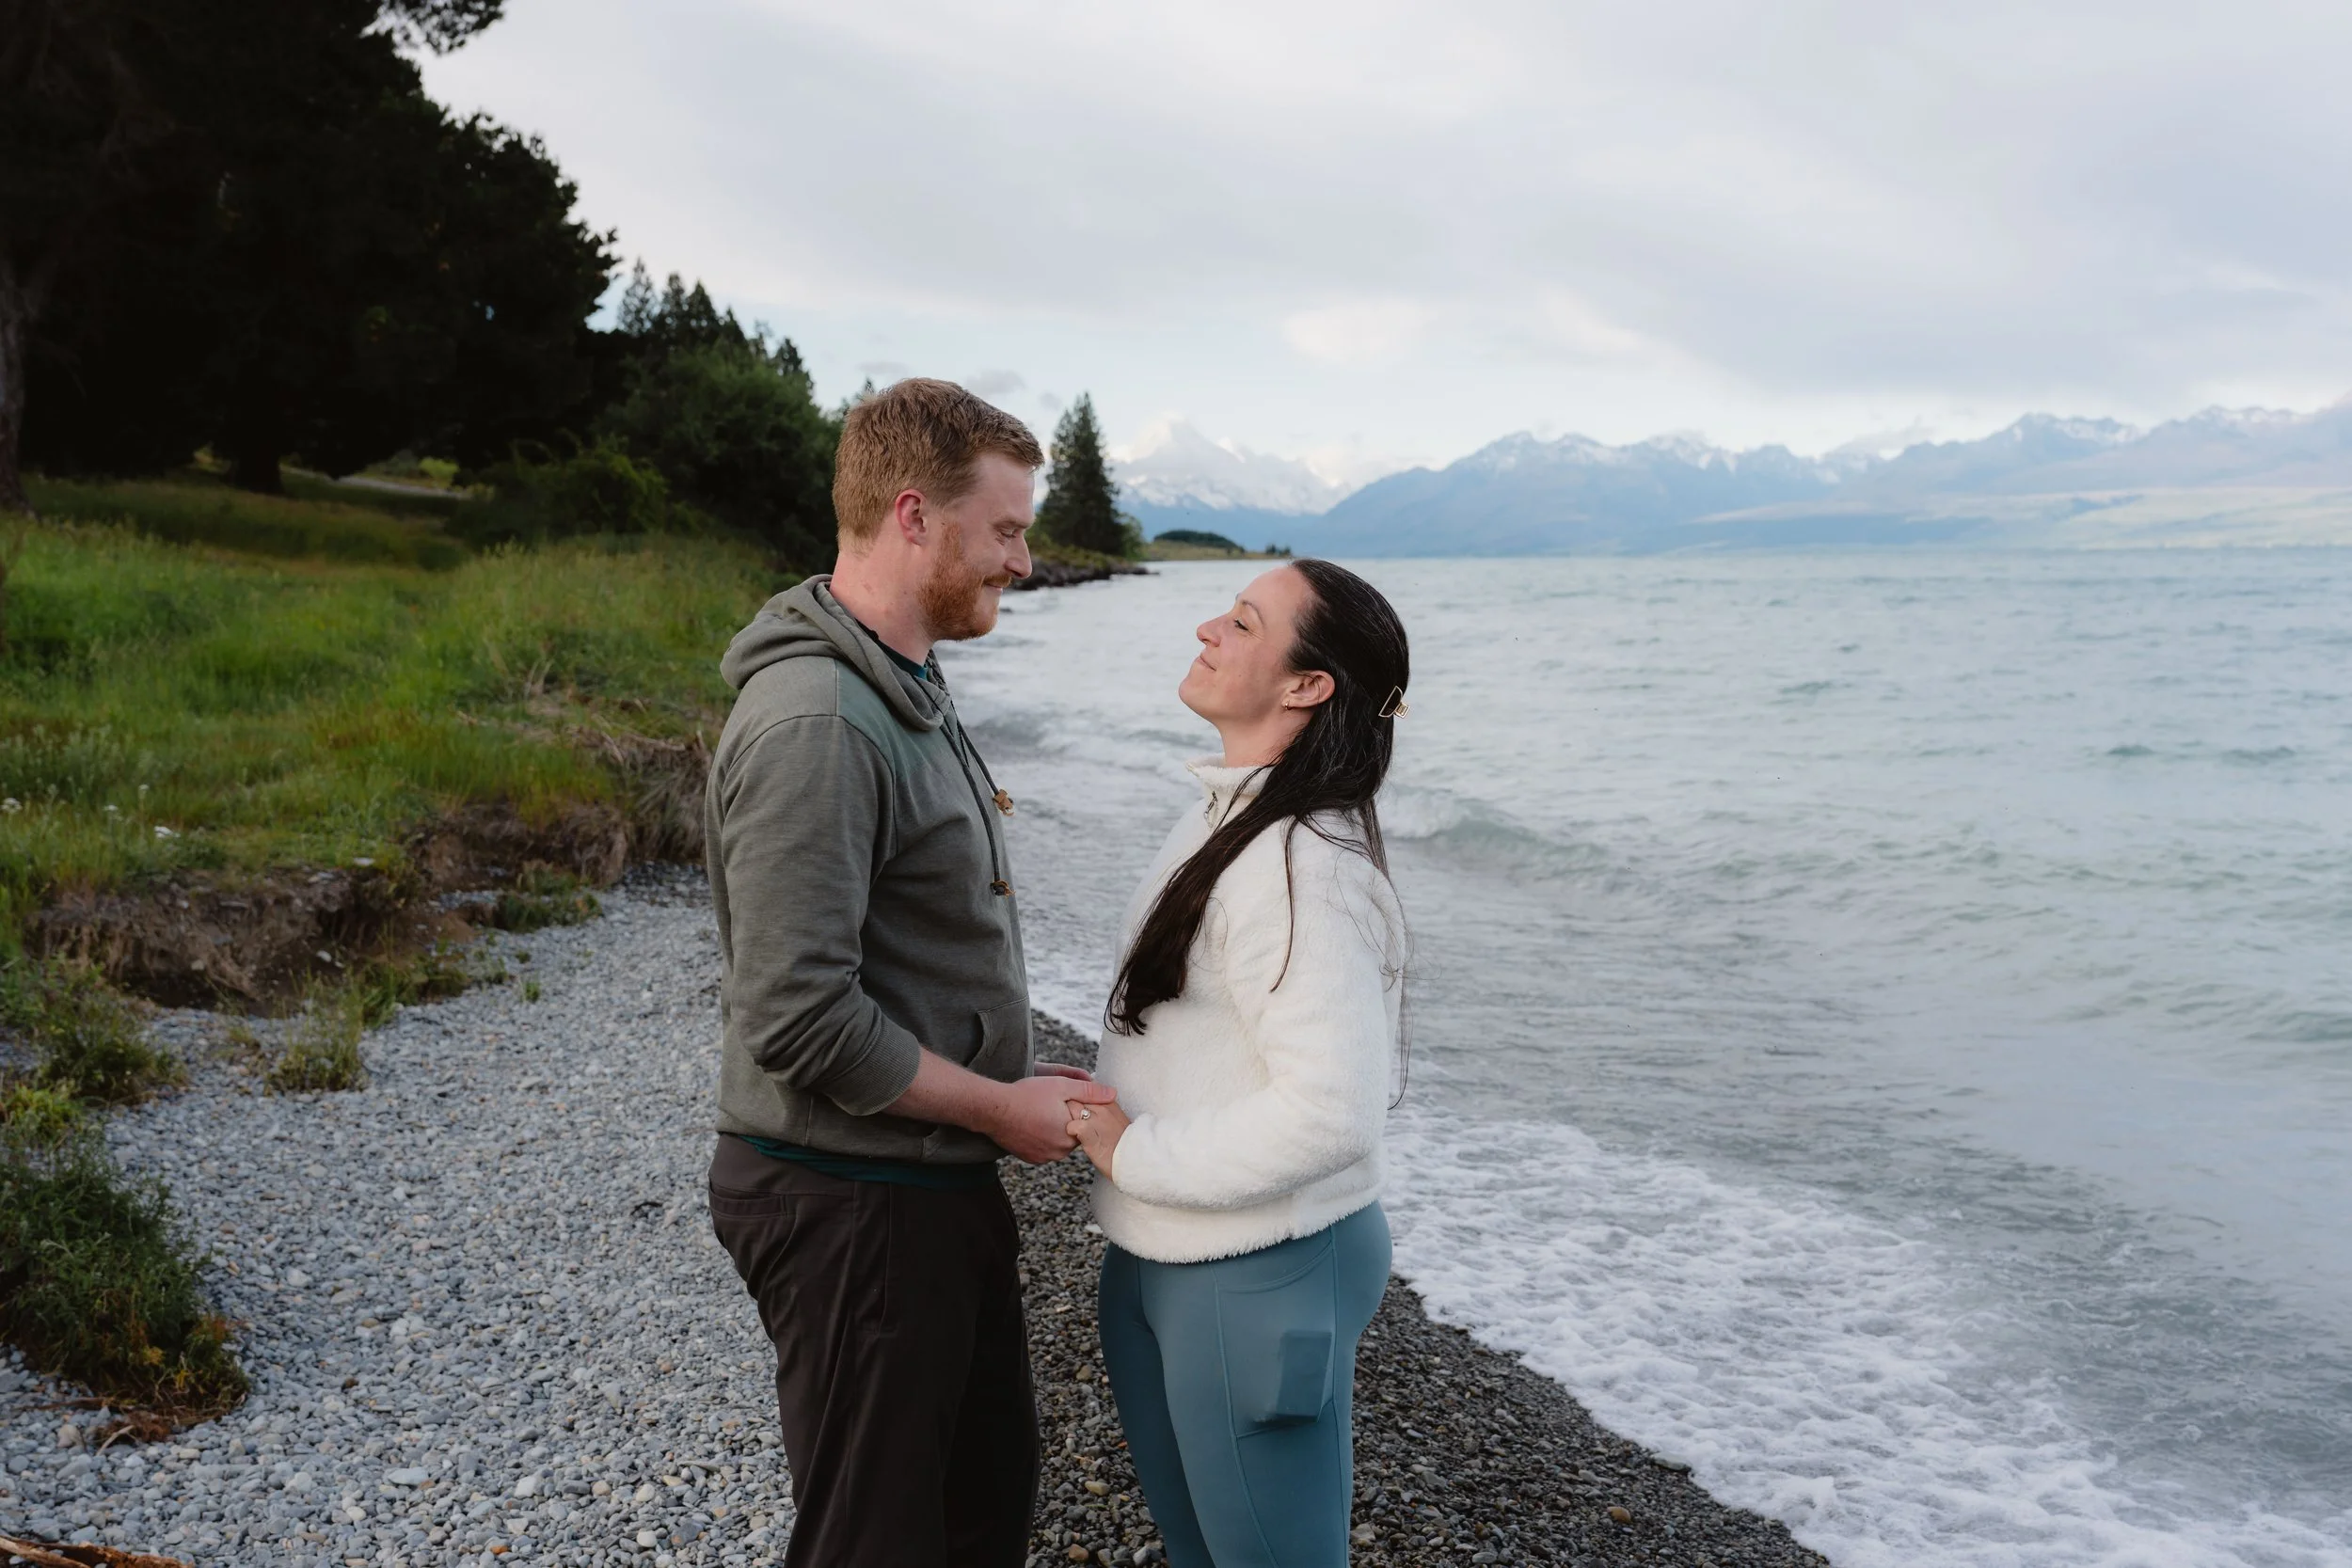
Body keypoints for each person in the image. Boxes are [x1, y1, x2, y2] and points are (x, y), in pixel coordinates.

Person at [702, 377, 1117, 1568]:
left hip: (915, 1186)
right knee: (878, 1543)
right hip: (848, 1201)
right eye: (1005, 529)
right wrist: (1000, 1104)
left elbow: (901, 951)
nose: (1024, 561)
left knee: (974, 1508)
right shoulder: (819, 722)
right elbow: (797, 1014)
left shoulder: (904, 684)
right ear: (913, 516)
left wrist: (1008, 1066)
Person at [1066, 559, 1411, 1568]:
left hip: (1257, 1266)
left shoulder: (1304, 863)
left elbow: (1332, 1111)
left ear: (1308, 686)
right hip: (1164, 1252)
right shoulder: (1227, 813)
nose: (1208, 625)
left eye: (1245, 621)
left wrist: (1135, 1152)